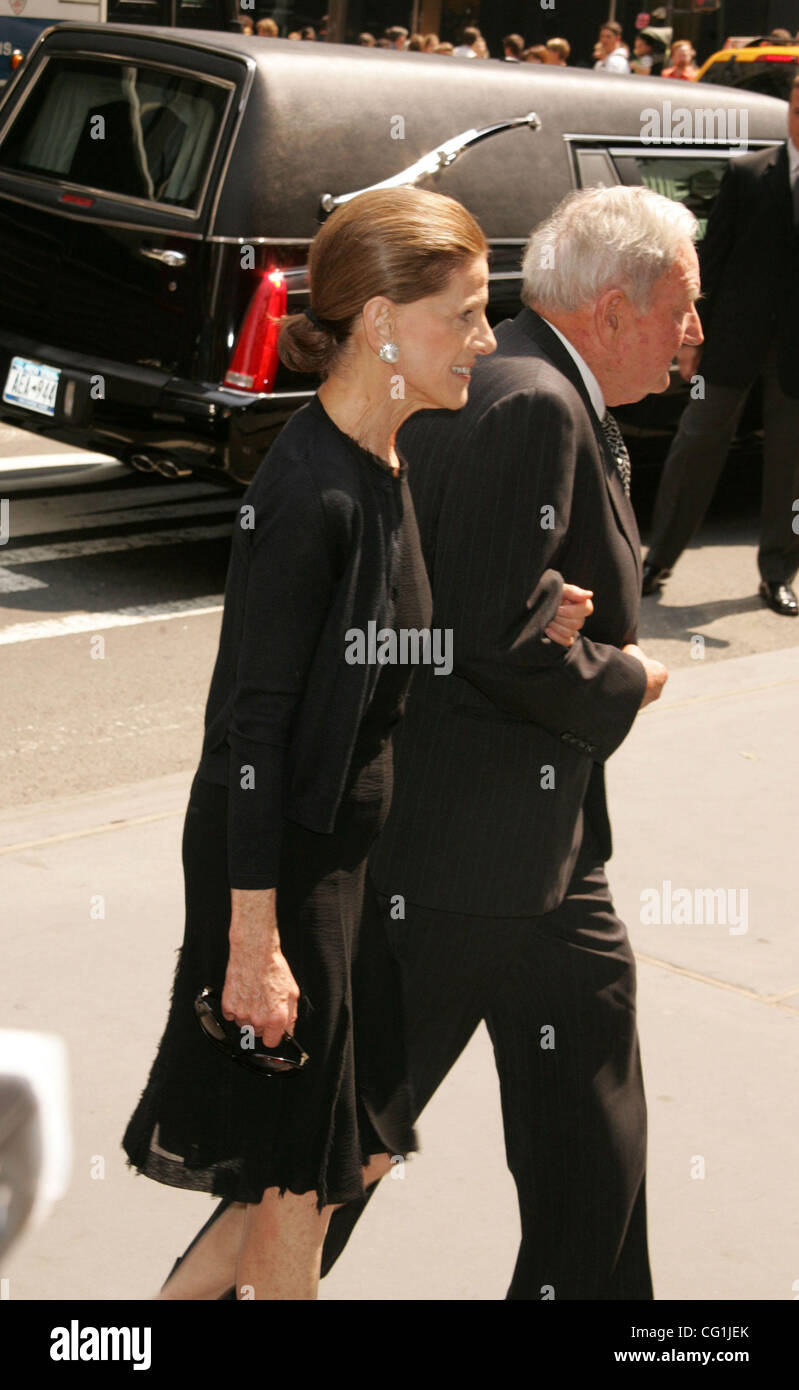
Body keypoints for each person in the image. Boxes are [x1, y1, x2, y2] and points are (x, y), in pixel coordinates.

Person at [121, 187, 511, 1302]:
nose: (485, 340)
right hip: (282, 864)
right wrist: (255, 939)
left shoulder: (383, 461)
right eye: (467, 314)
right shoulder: (308, 495)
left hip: (343, 861)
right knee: (300, 1173)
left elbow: (372, 657)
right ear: (384, 322)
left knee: (349, 1146)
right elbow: (251, 730)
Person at [320, 184, 703, 1300]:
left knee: (590, 1126)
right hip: (462, 855)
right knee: (339, 1155)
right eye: (681, 308)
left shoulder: (517, 378)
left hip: (540, 851)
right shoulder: (530, 398)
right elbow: (488, 636)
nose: (695, 335)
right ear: (613, 309)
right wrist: (625, 676)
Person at [643, 77, 799, 614]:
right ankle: (656, 560)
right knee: (696, 445)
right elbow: (711, 260)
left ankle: (779, 572)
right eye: (798, 111)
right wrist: (692, 335)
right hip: (732, 342)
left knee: (791, 465)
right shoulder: (749, 173)